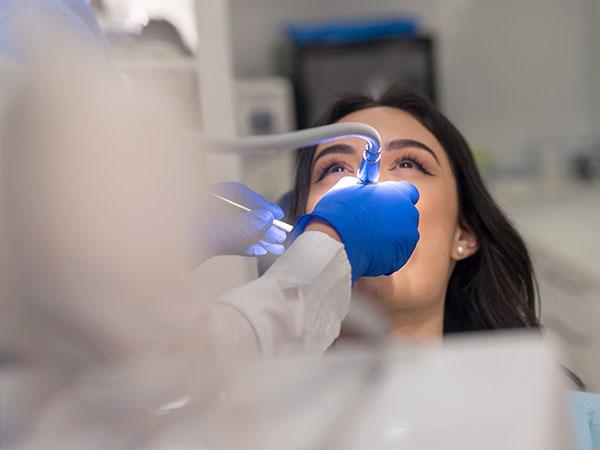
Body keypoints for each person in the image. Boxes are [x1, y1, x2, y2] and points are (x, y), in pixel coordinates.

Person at [290, 85, 540, 340]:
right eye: (336, 169)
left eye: (408, 164)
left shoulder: (529, 378)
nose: (368, 186)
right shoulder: (253, 372)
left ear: (464, 231)